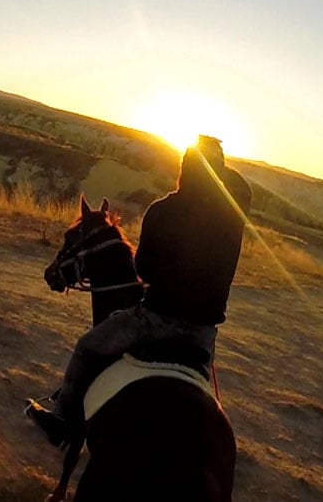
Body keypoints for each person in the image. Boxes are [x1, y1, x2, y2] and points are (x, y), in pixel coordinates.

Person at [30, 135, 252, 446]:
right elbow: (240, 186)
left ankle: (62, 419)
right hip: (203, 335)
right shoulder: (234, 211)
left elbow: (144, 271)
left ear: (183, 170)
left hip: (155, 321)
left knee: (88, 348)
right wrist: (216, 159)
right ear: (220, 173)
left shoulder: (163, 211)